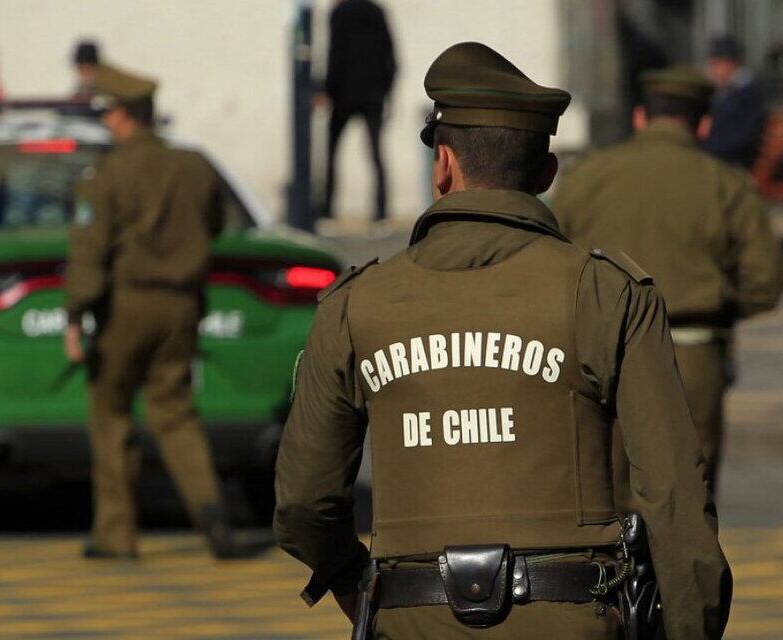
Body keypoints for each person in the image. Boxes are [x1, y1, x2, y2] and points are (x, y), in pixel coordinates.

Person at [274, 43, 731, 639]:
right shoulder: (605, 292)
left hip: (414, 620)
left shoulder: (354, 305)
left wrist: (356, 583)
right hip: (575, 619)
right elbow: (673, 495)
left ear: (442, 165)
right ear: (545, 174)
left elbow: (303, 502)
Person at [553, 65, 783, 496]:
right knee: (685, 500)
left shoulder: (585, 176)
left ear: (640, 117)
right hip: (691, 356)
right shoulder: (725, 184)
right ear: (704, 123)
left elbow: (550, 258)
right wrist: (716, 303)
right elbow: (764, 284)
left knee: (605, 497)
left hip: (600, 355)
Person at [64, 63, 238, 559]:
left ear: (123, 116)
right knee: (175, 411)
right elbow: (216, 223)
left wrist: (75, 315)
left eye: (109, 113)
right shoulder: (193, 165)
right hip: (182, 304)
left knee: (111, 412)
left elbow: (89, 251)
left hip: (126, 304)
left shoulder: (107, 174)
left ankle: (116, 534)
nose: (106, 122)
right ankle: (210, 510)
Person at [321, 0, 397, 224]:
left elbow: (335, 55)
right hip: (373, 95)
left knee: (331, 154)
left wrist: (328, 90)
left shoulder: (338, 14)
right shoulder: (377, 12)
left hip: (343, 95)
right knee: (376, 154)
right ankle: (381, 212)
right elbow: (391, 58)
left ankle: (327, 211)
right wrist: (386, 92)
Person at [702, 35, 767, 169]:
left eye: (718, 63)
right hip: (716, 157)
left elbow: (747, 135)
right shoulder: (720, 91)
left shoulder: (748, 92)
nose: (713, 69)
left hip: (734, 162)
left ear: (732, 63)